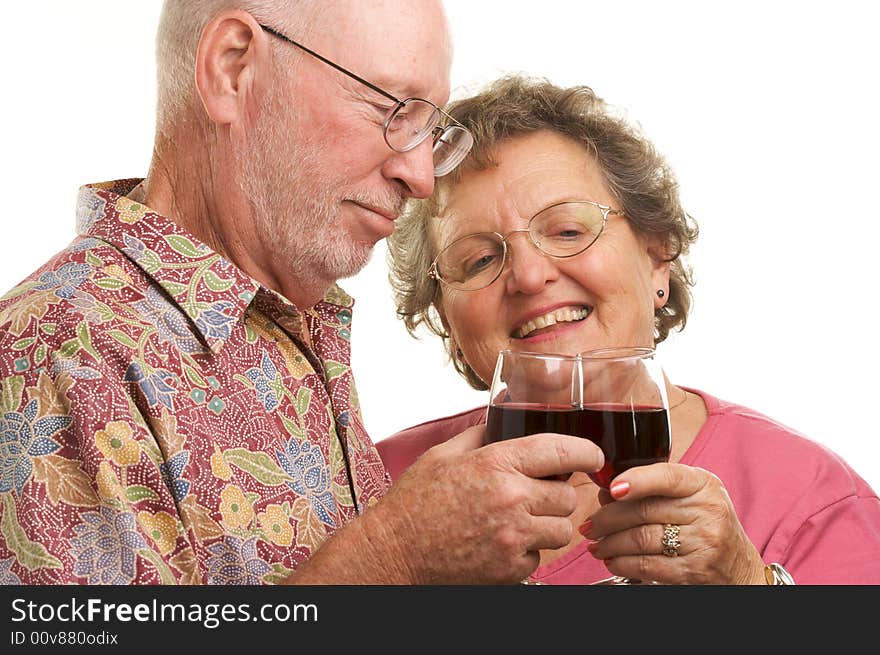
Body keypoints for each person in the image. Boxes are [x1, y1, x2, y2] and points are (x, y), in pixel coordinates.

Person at [0, 3, 606, 585]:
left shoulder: (291, 320)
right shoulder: (54, 350)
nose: (420, 177)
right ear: (232, 69)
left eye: (428, 129)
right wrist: (396, 559)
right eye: (390, 110)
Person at [380, 74, 880, 584]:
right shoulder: (371, 486)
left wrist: (750, 585)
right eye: (480, 259)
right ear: (444, 315)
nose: (530, 276)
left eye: (569, 230)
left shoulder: (813, 499)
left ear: (658, 257)